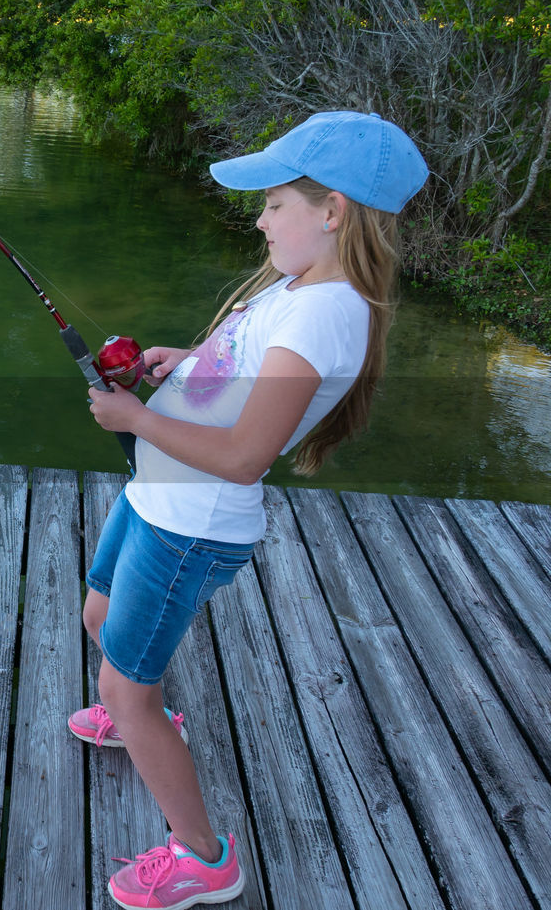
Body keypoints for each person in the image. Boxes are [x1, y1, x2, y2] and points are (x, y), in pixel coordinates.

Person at [69, 110, 428, 909]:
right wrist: (184, 363)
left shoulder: (325, 315)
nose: (261, 218)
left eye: (274, 203)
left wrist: (135, 420)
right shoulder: (300, 288)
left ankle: (204, 856)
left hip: (189, 524)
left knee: (127, 688)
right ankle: (144, 713)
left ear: (332, 211)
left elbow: (242, 455)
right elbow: (240, 373)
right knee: (99, 615)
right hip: (157, 496)